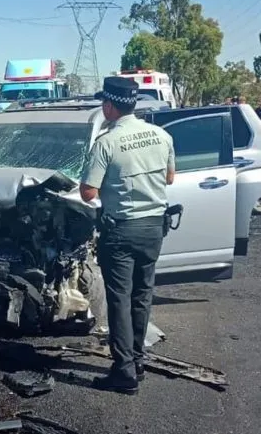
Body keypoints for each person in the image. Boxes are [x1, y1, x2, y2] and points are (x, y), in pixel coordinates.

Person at [79, 76, 176, 395]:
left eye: (102, 103)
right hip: (153, 228)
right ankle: (137, 360)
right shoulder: (162, 135)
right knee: (142, 295)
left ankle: (124, 371)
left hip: (121, 230)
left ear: (109, 106)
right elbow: (170, 178)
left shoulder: (106, 142)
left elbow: (88, 192)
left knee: (119, 300)